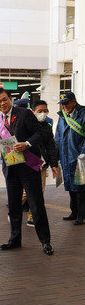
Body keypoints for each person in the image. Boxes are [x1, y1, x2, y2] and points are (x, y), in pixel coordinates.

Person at [0, 88, 54, 255]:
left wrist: (26, 144)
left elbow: (38, 133)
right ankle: (14, 239)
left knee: (36, 204)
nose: (2, 103)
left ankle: (45, 241)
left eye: (5, 99)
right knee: (13, 205)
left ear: (10, 99)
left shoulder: (24, 114)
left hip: (28, 166)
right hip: (11, 168)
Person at [23, 100, 58, 226]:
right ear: (33, 112)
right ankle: (13, 210)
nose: (43, 113)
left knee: (39, 192)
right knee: (25, 192)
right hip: (28, 163)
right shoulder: (26, 126)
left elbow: (51, 147)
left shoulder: (47, 128)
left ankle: (32, 218)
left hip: (42, 164)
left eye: (45, 111)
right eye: (40, 111)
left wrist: (54, 164)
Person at [55, 91, 85, 225]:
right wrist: (55, 157)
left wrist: (83, 153)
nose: (64, 106)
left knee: (81, 188)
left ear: (74, 101)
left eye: (66, 103)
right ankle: (74, 212)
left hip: (80, 158)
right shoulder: (62, 117)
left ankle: (81, 215)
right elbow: (57, 138)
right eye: (62, 104)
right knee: (71, 187)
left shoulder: (83, 115)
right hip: (66, 157)